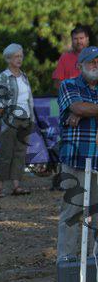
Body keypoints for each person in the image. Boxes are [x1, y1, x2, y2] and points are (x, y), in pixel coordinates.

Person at [57, 46, 98, 261]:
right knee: (72, 213)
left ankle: (94, 262)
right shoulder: (69, 84)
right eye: (91, 61)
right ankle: (66, 261)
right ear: (80, 65)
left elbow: (82, 109)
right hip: (76, 160)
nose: (95, 65)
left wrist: (85, 111)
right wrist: (80, 111)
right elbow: (78, 108)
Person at [0, 43, 35, 198]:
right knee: (6, 152)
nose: (19, 59)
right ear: (8, 59)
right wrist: (5, 117)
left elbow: (29, 99)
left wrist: (31, 118)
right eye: (16, 56)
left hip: (25, 119)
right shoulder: (2, 77)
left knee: (20, 153)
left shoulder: (24, 76)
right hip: (10, 120)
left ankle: (16, 186)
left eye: (21, 56)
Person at [53, 25, 90, 90]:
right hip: (72, 95)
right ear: (72, 40)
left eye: (81, 38)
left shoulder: (95, 56)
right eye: (75, 39)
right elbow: (57, 84)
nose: (78, 42)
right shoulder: (64, 58)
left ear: (87, 39)